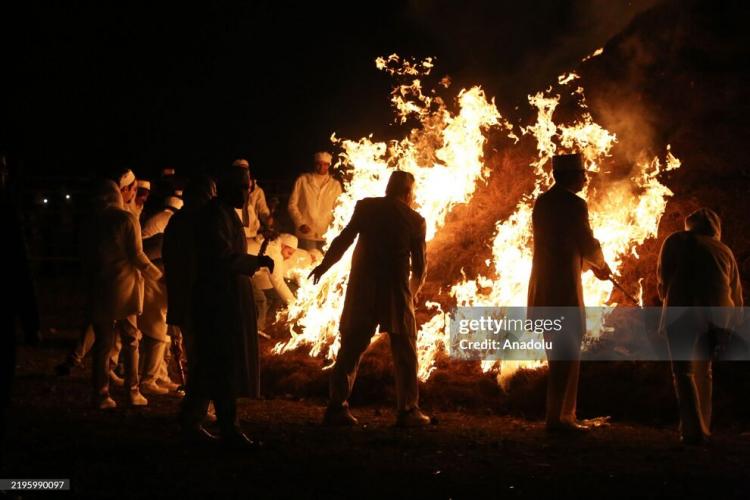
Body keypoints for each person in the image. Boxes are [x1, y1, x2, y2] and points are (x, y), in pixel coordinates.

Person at [309, 170, 430, 427]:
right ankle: (408, 411)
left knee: (352, 347)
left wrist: (324, 265)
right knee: (405, 350)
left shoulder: (366, 207)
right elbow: (420, 268)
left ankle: (336, 407)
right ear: (408, 192)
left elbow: (343, 240)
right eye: (414, 192)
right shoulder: (415, 220)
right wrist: (413, 292)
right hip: (395, 292)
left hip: (363, 289)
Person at [179, 166, 273, 448]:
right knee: (221, 364)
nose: (247, 193)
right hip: (217, 300)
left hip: (228, 298)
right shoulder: (214, 215)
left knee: (212, 365)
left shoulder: (226, 213)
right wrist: (254, 262)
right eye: (243, 187)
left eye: (249, 187)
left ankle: (191, 420)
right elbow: (220, 257)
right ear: (228, 187)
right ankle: (227, 428)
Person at [527, 153, 613, 432]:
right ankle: (561, 419)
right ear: (570, 177)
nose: (586, 178)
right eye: (582, 174)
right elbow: (585, 241)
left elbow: (561, 243)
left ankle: (559, 416)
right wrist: (601, 265)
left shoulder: (542, 202)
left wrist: (589, 265)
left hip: (542, 286)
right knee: (567, 352)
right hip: (563, 288)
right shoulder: (575, 205)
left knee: (557, 354)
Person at [657, 208, 743, 445]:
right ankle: (703, 427)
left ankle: (693, 431)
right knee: (704, 372)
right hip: (716, 317)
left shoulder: (675, 241)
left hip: (682, 313)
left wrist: (665, 298)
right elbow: (735, 293)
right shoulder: (724, 250)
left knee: (683, 372)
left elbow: (663, 277)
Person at [82, 180, 162, 409]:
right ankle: (132, 391)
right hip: (124, 287)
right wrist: (157, 274)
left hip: (99, 286)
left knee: (103, 343)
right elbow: (137, 254)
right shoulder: (126, 219)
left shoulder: (92, 222)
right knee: (131, 340)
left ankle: (100, 393)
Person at [138, 196, 185, 395]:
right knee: (158, 334)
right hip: (152, 286)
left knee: (165, 335)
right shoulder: (164, 239)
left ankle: (160, 376)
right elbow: (150, 260)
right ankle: (148, 380)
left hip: (161, 288)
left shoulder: (175, 237)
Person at [288, 151, 342, 251]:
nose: (322, 167)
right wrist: (300, 223)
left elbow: (339, 209)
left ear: (329, 165)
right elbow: (292, 205)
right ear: (315, 164)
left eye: (325, 164)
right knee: (307, 263)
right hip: (306, 233)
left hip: (326, 234)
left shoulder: (335, 185)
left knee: (325, 264)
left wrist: (335, 228)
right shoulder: (303, 180)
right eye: (319, 164)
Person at [247, 233, 298, 333]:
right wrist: (294, 303)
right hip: (237, 269)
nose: (289, 257)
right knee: (260, 300)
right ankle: (256, 330)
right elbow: (278, 283)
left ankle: (262, 326)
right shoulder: (274, 254)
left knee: (269, 297)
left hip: (241, 267)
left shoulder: (271, 245)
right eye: (289, 252)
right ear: (283, 246)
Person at [232, 158, 272, 239]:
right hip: (234, 232)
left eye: (244, 169)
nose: (242, 173)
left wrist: (267, 219)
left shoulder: (257, 191)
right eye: (239, 170)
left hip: (251, 233)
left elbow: (263, 210)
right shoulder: (229, 190)